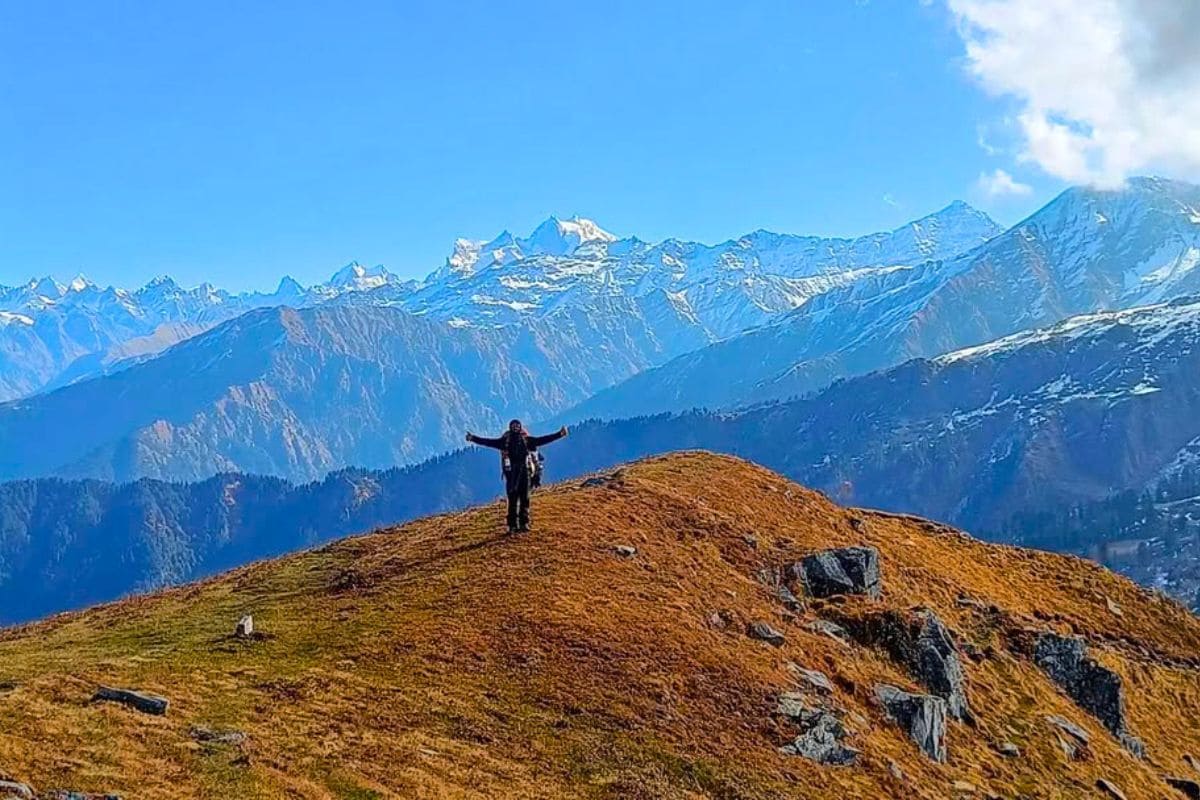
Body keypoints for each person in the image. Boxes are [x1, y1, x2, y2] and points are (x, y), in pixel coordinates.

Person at [466, 420, 569, 534]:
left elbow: (487, 442)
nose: (515, 428)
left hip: (515, 474)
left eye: (517, 426)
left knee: (520, 499)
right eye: (514, 426)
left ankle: (517, 525)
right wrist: (560, 434)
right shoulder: (523, 441)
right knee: (518, 500)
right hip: (520, 473)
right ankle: (519, 524)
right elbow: (542, 440)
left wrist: (473, 438)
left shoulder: (507, 441)